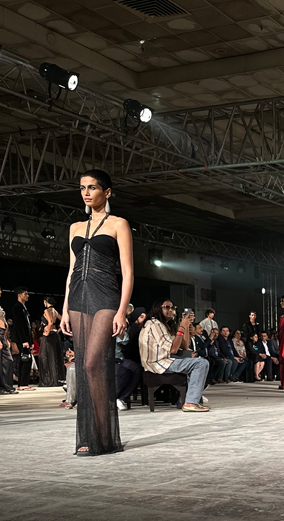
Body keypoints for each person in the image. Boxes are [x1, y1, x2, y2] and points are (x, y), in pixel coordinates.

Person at [59, 170, 133, 455]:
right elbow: (71, 270)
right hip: (78, 297)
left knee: (92, 364)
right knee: (83, 366)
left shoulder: (119, 224)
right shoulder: (75, 227)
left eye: (92, 187)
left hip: (106, 297)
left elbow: (127, 272)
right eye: (82, 188)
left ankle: (103, 436)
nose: (86, 193)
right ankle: (90, 436)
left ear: (107, 192)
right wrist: (65, 309)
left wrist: (122, 311)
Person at [139, 299, 209, 412]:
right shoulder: (154, 323)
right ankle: (191, 402)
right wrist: (181, 327)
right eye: (166, 307)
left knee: (199, 361)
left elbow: (184, 346)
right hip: (157, 363)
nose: (171, 310)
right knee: (200, 363)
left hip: (166, 360)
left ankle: (189, 400)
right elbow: (173, 349)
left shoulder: (165, 325)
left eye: (172, 307)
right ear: (158, 308)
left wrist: (186, 327)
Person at [38, 297, 66, 387]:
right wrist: (58, 330)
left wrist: (47, 332)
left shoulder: (46, 310)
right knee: (54, 357)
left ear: (45, 302)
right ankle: (55, 378)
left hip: (49, 336)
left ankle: (49, 380)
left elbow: (50, 322)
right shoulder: (55, 311)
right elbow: (62, 320)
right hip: (55, 335)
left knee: (45, 357)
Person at [11, 287, 34, 391]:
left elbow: (27, 326)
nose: (27, 296)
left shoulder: (23, 307)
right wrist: (24, 340)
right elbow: (19, 325)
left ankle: (22, 383)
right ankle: (23, 384)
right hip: (21, 339)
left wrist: (30, 340)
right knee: (26, 360)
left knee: (24, 359)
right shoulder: (17, 307)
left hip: (25, 338)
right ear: (19, 295)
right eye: (25, 294)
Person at [0, 305, 18, 394]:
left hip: (2, 334)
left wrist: (5, 338)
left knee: (8, 361)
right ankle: (2, 387)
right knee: (2, 362)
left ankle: (7, 386)